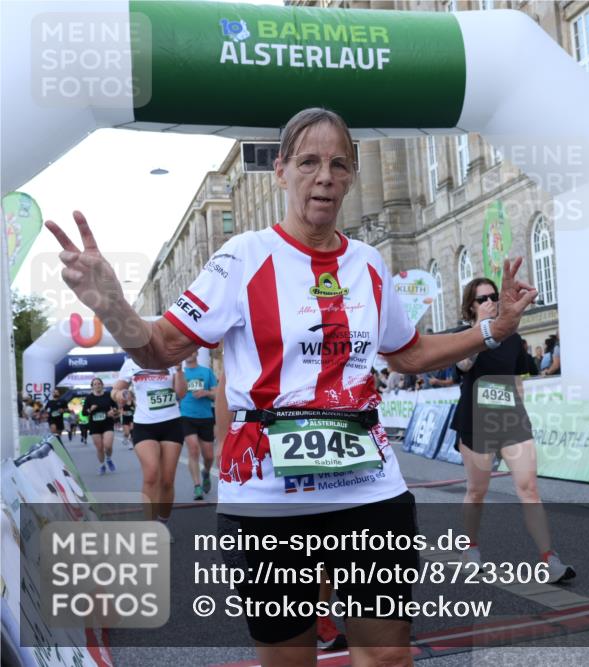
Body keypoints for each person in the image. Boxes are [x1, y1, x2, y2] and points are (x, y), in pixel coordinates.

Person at [46, 106, 539, 667]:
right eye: (308, 162)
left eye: (337, 164)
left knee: (386, 658)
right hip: (268, 497)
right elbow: (159, 346)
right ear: (280, 170)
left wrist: (491, 329)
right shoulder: (242, 258)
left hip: (369, 486)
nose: (323, 176)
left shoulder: (370, 264)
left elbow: (409, 353)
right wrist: (112, 304)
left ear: (351, 175)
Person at [450, 278, 574, 583]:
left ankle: (549, 559)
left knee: (529, 487)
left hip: (510, 419)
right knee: (477, 491)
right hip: (475, 420)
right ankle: (471, 548)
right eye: (483, 299)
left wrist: (520, 412)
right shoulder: (464, 335)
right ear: (471, 306)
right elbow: (464, 366)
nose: (490, 302)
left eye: (493, 296)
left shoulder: (512, 337)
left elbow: (519, 378)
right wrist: (480, 329)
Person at [113, 359, 187, 528]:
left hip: (171, 424)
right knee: (152, 474)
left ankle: (162, 522)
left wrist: (179, 370)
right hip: (144, 425)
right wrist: (120, 395)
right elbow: (116, 390)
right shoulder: (131, 362)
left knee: (167, 481)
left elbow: (181, 393)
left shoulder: (171, 357)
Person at [180, 352, 218, 501]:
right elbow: (176, 392)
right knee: (193, 449)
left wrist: (206, 393)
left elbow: (216, 394)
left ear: (195, 353)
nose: (188, 354)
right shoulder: (181, 374)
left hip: (206, 417)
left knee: (208, 456)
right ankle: (197, 487)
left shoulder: (207, 372)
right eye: (186, 351)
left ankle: (206, 473)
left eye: (190, 350)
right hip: (186, 415)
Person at [83, 378, 118, 474]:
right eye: (95, 384)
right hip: (94, 425)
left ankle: (109, 459)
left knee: (108, 446)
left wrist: (113, 411)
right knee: (99, 448)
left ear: (102, 385)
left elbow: (116, 407)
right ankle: (102, 465)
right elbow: (84, 412)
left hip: (107, 423)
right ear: (92, 387)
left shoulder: (108, 395)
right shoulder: (89, 398)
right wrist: (90, 409)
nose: (97, 385)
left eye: (99, 383)